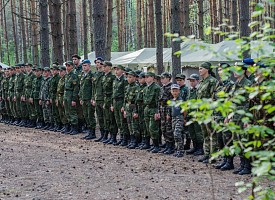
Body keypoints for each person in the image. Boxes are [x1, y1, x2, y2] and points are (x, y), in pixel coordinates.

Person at [225, 62, 251, 175]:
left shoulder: (247, 84)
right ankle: (242, 164)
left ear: (244, 71)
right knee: (236, 140)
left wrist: (246, 119)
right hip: (235, 116)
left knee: (243, 141)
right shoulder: (236, 84)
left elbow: (249, 104)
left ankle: (247, 165)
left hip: (242, 116)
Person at [213, 63, 234, 170]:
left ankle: (229, 162)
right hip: (217, 116)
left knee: (227, 139)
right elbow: (214, 99)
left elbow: (231, 102)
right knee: (219, 139)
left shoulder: (231, 84)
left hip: (225, 116)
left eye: (222, 69)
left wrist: (228, 116)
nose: (220, 71)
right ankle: (225, 160)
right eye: (219, 69)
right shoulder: (218, 84)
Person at [196, 62, 218, 163]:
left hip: (209, 112)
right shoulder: (201, 82)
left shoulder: (212, 81)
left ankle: (213, 156)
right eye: (199, 69)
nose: (199, 70)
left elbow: (214, 98)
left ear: (207, 69)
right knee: (204, 133)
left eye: (201, 68)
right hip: (201, 111)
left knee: (211, 134)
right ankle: (207, 153)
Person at [186, 74, 204, 156]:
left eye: (193, 81)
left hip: (197, 114)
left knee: (198, 132)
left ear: (198, 81)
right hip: (190, 114)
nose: (191, 82)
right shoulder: (190, 90)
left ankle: (200, 148)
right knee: (191, 131)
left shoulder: (200, 90)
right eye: (190, 81)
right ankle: (195, 147)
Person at [111, 65, 129, 146]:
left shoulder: (124, 81)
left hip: (121, 101)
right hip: (115, 102)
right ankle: (121, 137)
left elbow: (126, 94)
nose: (116, 71)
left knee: (123, 121)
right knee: (118, 120)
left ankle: (125, 138)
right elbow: (113, 93)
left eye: (118, 69)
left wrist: (124, 106)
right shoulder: (115, 80)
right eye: (115, 69)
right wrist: (112, 104)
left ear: (122, 71)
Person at [143, 72, 161, 153]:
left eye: (148, 77)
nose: (146, 78)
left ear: (153, 78)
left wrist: (157, 112)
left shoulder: (156, 88)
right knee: (147, 127)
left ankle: (156, 145)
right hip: (147, 108)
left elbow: (158, 101)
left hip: (154, 109)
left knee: (153, 127)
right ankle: (153, 145)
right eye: (145, 77)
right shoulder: (145, 88)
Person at [79, 59, 96, 140]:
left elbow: (93, 88)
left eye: (85, 65)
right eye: (83, 65)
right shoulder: (83, 75)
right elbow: (81, 88)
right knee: (86, 115)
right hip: (84, 98)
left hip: (89, 99)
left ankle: (92, 132)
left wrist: (92, 98)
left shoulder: (92, 75)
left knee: (90, 116)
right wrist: (81, 98)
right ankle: (89, 131)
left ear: (89, 66)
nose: (84, 67)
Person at [102, 61, 118, 143]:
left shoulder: (112, 77)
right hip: (105, 98)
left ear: (109, 67)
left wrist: (111, 102)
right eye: (103, 66)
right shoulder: (104, 77)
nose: (103, 68)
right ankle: (107, 135)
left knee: (112, 118)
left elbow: (113, 91)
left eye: (105, 66)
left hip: (110, 98)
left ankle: (113, 136)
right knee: (106, 118)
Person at [159, 72, 174, 154]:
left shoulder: (171, 87)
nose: (161, 80)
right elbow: (159, 100)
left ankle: (171, 146)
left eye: (163, 78)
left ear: (168, 78)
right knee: (163, 128)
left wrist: (169, 113)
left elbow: (171, 102)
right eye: (161, 78)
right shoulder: (162, 88)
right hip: (162, 110)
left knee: (169, 128)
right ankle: (167, 144)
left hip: (168, 110)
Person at [124, 70, 139, 149]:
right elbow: (125, 99)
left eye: (130, 77)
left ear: (135, 78)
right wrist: (125, 109)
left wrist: (136, 111)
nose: (128, 79)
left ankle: (136, 141)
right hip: (128, 106)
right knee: (129, 124)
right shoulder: (127, 87)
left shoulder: (136, 87)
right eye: (127, 77)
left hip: (133, 106)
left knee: (134, 125)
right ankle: (132, 139)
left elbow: (137, 101)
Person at [64, 61, 80, 135]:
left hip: (71, 94)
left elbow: (76, 88)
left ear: (72, 67)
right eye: (66, 66)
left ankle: (75, 128)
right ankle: (70, 126)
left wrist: (74, 99)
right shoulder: (67, 76)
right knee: (67, 111)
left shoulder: (74, 76)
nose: (67, 67)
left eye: (69, 66)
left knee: (72, 111)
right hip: (66, 94)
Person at [92, 57, 106, 142]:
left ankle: (106, 135)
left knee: (105, 118)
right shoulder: (96, 74)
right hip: (97, 98)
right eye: (96, 62)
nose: (97, 64)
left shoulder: (104, 75)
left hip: (103, 99)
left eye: (99, 62)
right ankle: (102, 134)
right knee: (99, 118)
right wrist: (93, 98)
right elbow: (94, 88)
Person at [134, 72, 149, 149]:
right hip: (139, 107)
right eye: (138, 78)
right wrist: (135, 110)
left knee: (144, 126)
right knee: (140, 125)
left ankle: (146, 142)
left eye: (141, 78)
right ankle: (142, 141)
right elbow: (136, 100)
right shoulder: (138, 87)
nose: (139, 79)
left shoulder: (146, 87)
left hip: (144, 107)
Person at [175, 73, 190, 150]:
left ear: (184, 80)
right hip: (178, 112)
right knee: (179, 130)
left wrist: (185, 115)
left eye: (180, 80)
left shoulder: (186, 89)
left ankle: (187, 145)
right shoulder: (176, 90)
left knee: (186, 131)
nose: (178, 82)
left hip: (184, 112)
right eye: (177, 80)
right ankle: (180, 145)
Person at [169, 84, 185, 157]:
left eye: (176, 91)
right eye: (173, 91)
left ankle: (180, 150)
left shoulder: (181, 100)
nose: (174, 92)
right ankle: (178, 149)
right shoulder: (172, 100)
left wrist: (183, 118)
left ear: (179, 91)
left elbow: (185, 110)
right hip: (173, 118)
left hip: (179, 118)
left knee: (177, 133)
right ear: (171, 92)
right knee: (175, 133)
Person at [22, 63, 36, 128]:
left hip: (30, 92)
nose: (27, 68)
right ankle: (30, 120)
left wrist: (31, 96)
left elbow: (33, 87)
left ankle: (33, 121)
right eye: (26, 67)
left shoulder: (33, 75)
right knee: (28, 107)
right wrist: (23, 95)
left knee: (32, 108)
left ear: (31, 67)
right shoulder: (26, 75)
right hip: (26, 92)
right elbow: (25, 86)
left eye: (28, 67)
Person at [56, 66, 68, 133]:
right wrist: (57, 99)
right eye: (59, 71)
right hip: (60, 96)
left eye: (61, 71)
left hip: (64, 96)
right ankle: (64, 125)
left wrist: (63, 99)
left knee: (65, 112)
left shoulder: (66, 79)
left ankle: (67, 126)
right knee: (61, 112)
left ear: (64, 71)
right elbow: (58, 91)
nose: (60, 73)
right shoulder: (60, 79)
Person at [49, 65, 61, 131]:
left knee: (57, 111)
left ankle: (59, 125)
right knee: (54, 111)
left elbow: (57, 89)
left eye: (54, 70)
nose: (52, 71)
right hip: (52, 96)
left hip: (56, 96)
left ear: (57, 70)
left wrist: (57, 98)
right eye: (52, 70)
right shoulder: (53, 78)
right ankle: (56, 124)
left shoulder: (58, 78)